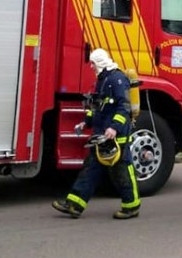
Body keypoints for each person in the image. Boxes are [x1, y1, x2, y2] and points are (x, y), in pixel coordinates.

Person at [52, 49, 140, 220]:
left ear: (99, 62)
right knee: (90, 170)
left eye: (92, 63)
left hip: (116, 137)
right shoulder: (102, 80)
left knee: (122, 172)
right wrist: (86, 122)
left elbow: (124, 106)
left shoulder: (118, 79)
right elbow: (97, 107)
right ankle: (74, 205)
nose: (91, 66)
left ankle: (131, 207)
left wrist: (114, 127)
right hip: (101, 136)